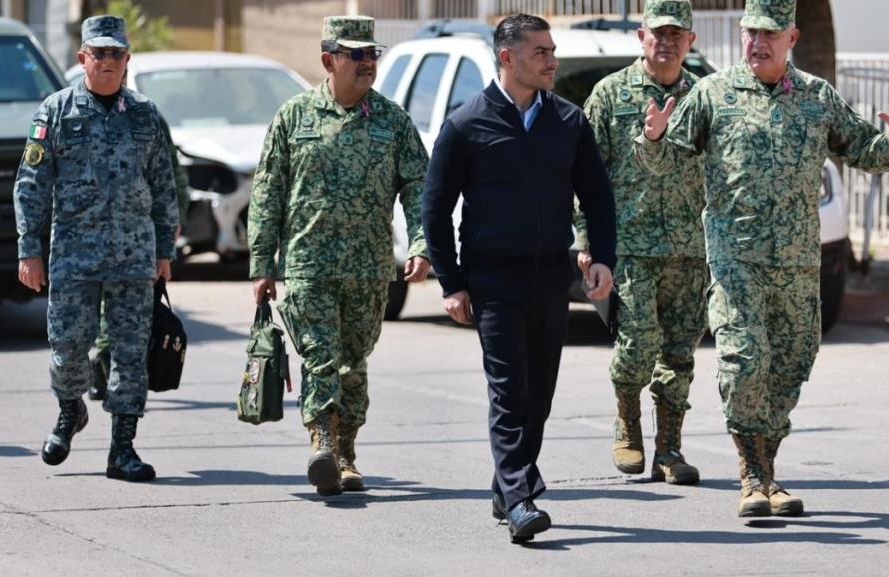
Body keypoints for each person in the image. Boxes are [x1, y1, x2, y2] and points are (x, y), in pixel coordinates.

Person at [637, 0, 889, 517]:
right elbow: (666, 160)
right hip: (734, 259)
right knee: (744, 364)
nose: (757, 43)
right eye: (750, 33)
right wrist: (654, 138)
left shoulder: (816, 97)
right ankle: (754, 476)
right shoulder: (713, 95)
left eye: (769, 34)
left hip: (797, 264)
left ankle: (768, 470)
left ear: (792, 37)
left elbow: (862, 148)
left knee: (790, 368)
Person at [422, 14, 616, 543]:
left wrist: (602, 257)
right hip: (493, 279)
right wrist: (451, 282)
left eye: (552, 50)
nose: (552, 61)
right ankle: (520, 498)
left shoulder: (570, 122)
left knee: (540, 394)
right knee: (509, 390)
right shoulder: (467, 124)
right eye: (541, 52)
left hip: (552, 275)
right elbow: (435, 210)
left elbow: (597, 198)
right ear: (507, 58)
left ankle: (505, 485)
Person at [248, 16, 430, 497]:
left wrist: (420, 244)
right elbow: (268, 192)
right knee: (321, 359)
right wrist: (262, 263)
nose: (368, 63)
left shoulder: (391, 121)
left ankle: (347, 451)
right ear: (329, 60)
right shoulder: (295, 117)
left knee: (354, 363)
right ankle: (322, 442)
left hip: (369, 267)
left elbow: (418, 187)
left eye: (373, 55)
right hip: (308, 263)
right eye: (357, 55)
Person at [13, 15, 178, 482]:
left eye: (116, 53)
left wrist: (164, 251)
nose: (108, 61)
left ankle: (122, 450)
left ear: (127, 61)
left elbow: (164, 187)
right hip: (73, 257)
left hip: (134, 258)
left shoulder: (145, 114)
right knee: (67, 351)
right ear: (82, 58)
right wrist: (30, 250)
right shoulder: (56, 112)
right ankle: (71, 410)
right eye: (99, 53)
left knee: (129, 356)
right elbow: (31, 185)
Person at [575, 0, 706, 486]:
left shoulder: (704, 97)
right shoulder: (610, 95)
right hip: (628, 245)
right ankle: (627, 417)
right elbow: (585, 175)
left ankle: (670, 448)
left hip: (691, 246)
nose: (667, 42)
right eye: (659, 32)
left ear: (691, 41)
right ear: (641, 36)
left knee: (679, 351)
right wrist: (587, 239)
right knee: (638, 343)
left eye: (677, 33)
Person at [82, 71, 190, 402]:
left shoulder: (147, 115)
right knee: (102, 303)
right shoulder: (80, 114)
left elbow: (171, 172)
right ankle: (103, 364)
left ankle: (112, 370)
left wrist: (175, 220)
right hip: (91, 234)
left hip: (137, 236)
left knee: (131, 310)